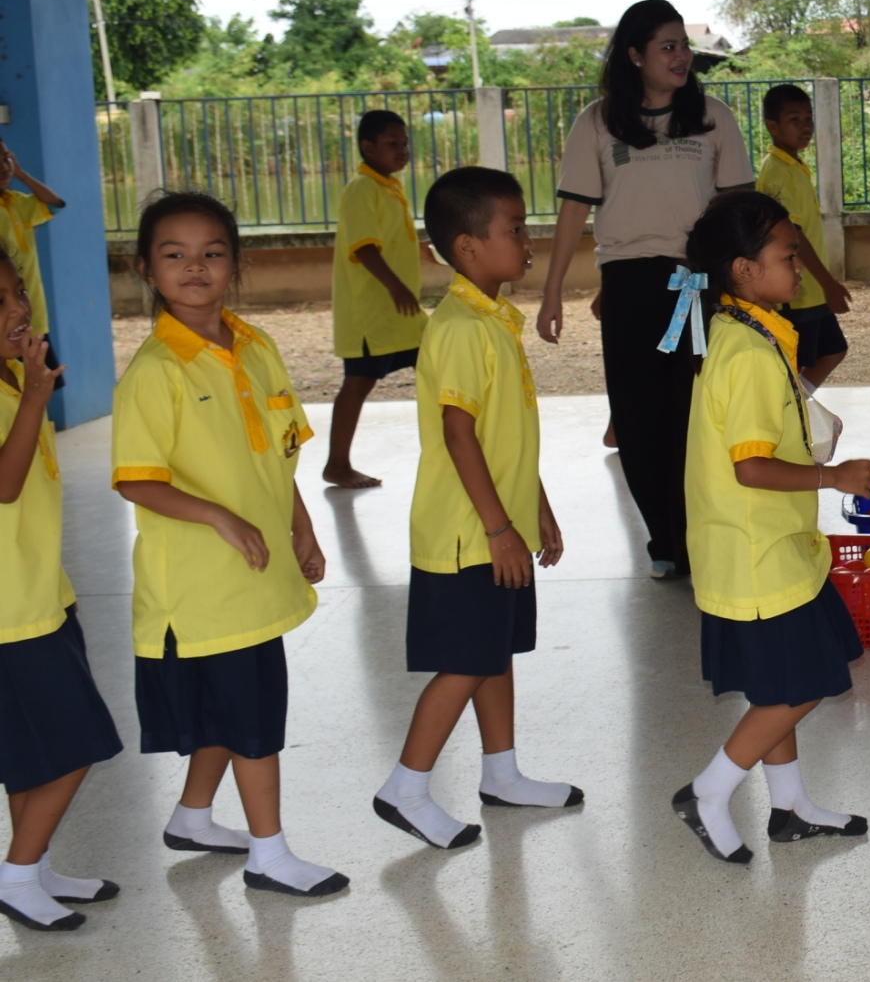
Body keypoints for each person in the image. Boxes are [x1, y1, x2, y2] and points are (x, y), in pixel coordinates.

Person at [112, 192, 345, 898]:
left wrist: (301, 526)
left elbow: (281, 451)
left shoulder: (256, 346)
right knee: (254, 719)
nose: (195, 267)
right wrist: (217, 515)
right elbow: (137, 480)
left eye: (212, 252)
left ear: (236, 265)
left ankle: (192, 816)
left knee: (233, 708)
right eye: (174, 254)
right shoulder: (157, 369)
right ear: (146, 269)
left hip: (256, 575)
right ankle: (269, 853)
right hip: (203, 590)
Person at [373, 167, 580, 851]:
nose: (528, 240)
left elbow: (504, 434)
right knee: (465, 661)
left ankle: (502, 773)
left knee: (493, 652)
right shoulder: (461, 326)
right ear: (467, 247)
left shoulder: (492, 320)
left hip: (499, 525)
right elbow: (459, 434)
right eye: (514, 229)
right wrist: (497, 527)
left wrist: (536, 506)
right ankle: (406, 786)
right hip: (468, 535)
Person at [670, 190, 870, 866]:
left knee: (779, 684)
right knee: (803, 681)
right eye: (788, 257)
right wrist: (833, 476)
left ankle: (788, 807)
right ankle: (708, 791)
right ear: (743, 270)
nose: (799, 267)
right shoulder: (750, 353)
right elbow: (752, 466)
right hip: (757, 552)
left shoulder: (749, 331)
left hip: (766, 545)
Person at [538, 0, 753, 580]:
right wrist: (552, 292)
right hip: (630, 283)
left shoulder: (712, 117)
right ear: (635, 55)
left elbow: (738, 207)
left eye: (684, 45)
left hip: (697, 282)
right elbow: (573, 212)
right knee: (638, 418)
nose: (681, 56)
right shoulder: (597, 122)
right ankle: (665, 539)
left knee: (696, 411)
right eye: (667, 46)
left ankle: (700, 534)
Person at [0, 250, 122, 933]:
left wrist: (29, 390)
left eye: (18, 292)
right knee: (78, 743)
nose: (19, 308)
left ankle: (34, 867)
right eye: (0, 301)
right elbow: (4, 484)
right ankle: (15, 876)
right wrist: (36, 397)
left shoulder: (14, 378)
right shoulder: (24, 389)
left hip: (43, 592)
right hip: (10, 613)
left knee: (32, 754)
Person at [325, 109, 429, 489]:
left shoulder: (388, 186)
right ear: (368, 147)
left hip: (398, 314)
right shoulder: (362, 189)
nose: (402, 150)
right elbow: (364, 247)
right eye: (392, 144)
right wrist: (396, 286)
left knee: (433, 363)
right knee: (358, 382)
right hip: (370, 314)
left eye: (405, 143)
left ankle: (455, 446)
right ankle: (337, 464)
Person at [756, 84, 852, 387]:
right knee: (790, 365)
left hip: (809, 290)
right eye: (794, 120)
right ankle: (786, 408)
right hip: (795, 294)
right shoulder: (777, 171)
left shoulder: (793, 165)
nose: (806, 127)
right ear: (772, 126)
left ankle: (798, 404)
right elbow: (792, 236)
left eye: (808, 118)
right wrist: (828, 283)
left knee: (833, 350)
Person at [0, 137, 64, 379]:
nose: (3, 167)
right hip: (5, 321)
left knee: (38, 380)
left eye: (6, 159)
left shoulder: (16, 202)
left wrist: (21, 175)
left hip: (31, 311)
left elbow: (55, 205)